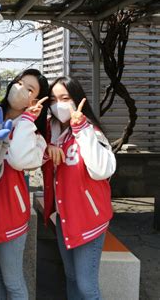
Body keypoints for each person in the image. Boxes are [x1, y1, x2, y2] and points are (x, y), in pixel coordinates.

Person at [42, 76, 116, 300]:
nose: (59, 104)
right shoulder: (52, 131)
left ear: (77, 99)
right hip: (64, 218)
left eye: (65, 98)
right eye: (54, 99)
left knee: (86, 286)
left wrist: (82, 128)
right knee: (71, 277)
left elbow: (103, 170)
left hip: (88, 219)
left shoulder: (90, 131)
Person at [0, 69, 49, 300]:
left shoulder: (32, 132)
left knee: (13, 282)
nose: (21, 89)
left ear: (36, 100)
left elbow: (18, 160)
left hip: (9, 213)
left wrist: (28, 120)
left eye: (30, 89)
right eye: (20, 83)